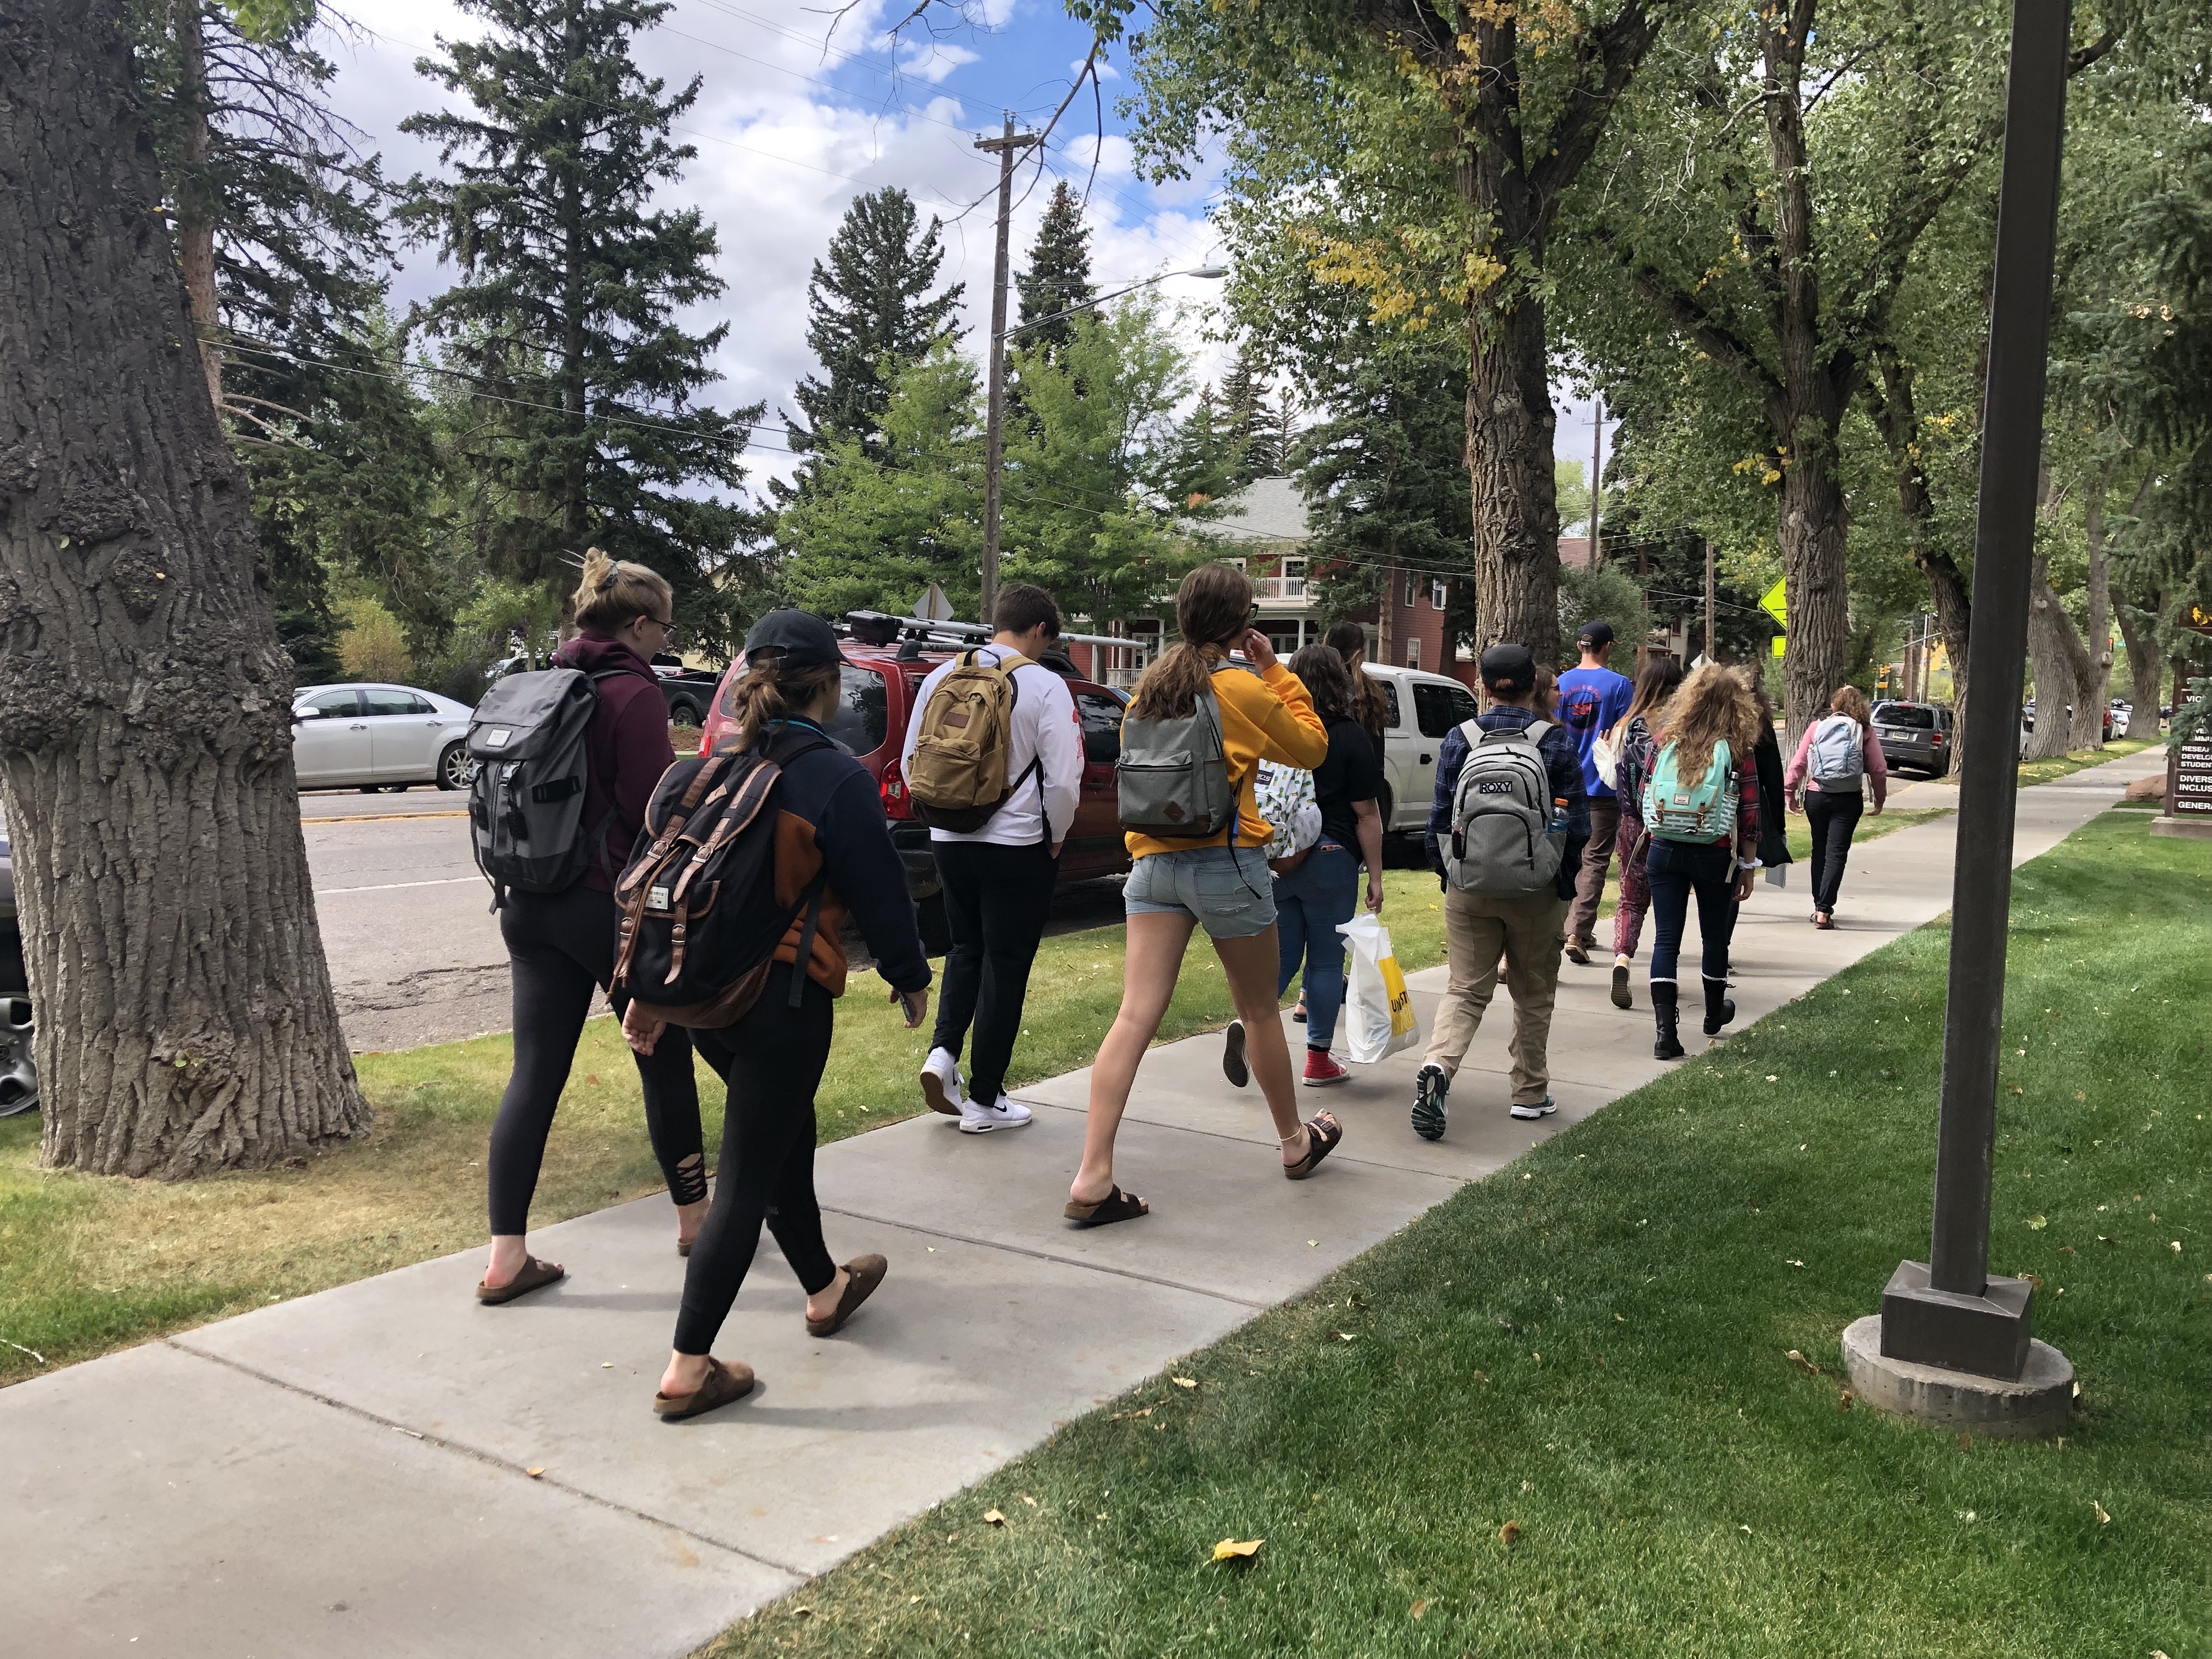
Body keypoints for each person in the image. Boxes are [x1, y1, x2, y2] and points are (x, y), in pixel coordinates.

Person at [625, 610, 933, 1420]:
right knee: (751, 1173)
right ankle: (689, 1368)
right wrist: (908, 978)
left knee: (782, 1135)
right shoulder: (832, 776)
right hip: (781, 1002)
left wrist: (642, 999)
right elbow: (879, 887)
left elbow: (644, 892)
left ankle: (825, 1288)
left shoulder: (694, 771)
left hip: (701, 998)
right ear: (828, 686)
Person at [1065, 563, 1336, 1226]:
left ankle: (1092, 1177)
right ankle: (1295, 1144)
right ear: (1244, 625)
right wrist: (1276, 672)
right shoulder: (1242, 686)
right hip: (1226, 864)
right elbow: (1312, 749)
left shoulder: (1148, 692)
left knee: (1133, 1016)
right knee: (1261, 1011)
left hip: (1152, 866)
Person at [477, 550, 709, 1305]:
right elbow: (655, 815)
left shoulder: (543, 683)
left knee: (534, 1072)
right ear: (638, 625)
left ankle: (506, 1255)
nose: (663, 645)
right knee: (660, 1049)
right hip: (600, 904)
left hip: (524, 899)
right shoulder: (632, 695)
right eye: (663, 630)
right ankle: (695, 1220)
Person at [902, 583, 1082, 1132]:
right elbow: (1065, 777)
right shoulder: (1044, 684)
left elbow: (914, 759)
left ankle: (942, 1053)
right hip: (1018, 842)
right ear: (1039, 631)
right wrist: (1057, 835)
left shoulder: (939, 677)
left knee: (965, 947)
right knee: (1006, 964)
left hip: (949, 837)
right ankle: (985, 1099)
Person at [1410, 643, 1588, 1142]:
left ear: (1483, 687)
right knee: (1533, 993)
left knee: (1466, 989)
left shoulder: (1458, 738)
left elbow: (1439, 819)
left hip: (1469, 886)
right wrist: (1562, 880)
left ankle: (1438, 1068)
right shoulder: (1553, 740)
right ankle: (1529, 1094)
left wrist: (1451, 875)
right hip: (1538, 886)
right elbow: (1576, 823)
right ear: (1535, 684)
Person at [1272, 644, 1386, 1086]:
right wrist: (1375, 876)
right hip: (1331, 856)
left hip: (1280, 856)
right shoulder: (1348, 734)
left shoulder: (1276, 730)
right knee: (1323, 963)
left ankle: (1248, 1027)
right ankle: (1318, 1061)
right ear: (1339, 681)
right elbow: (1367, 813)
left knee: (1280, 958)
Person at [1640, 663, 1763, 1060]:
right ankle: (1713, 1015)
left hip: (1663, 848)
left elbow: (1644, 789)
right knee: (1714, 936)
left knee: (1666, 939)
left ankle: (1664, 1034)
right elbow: (1749, 814)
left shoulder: (1665, 741)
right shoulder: (1737, 751)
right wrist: (1747, 866)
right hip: (1713, 852)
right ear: (1737, 707)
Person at [1605, 653, 1685, 1010]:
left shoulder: (1626, 725)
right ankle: (1665, 974)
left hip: (1632, 823)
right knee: (1671, 902)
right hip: (1671, 823)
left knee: (1630, 897)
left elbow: (1613, 775)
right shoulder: (1684, 727)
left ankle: (1622, 958)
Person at [1557, 622, 1635, 967]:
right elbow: (1626, 734)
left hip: (1561, 785)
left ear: (1579, 646)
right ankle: (1576, 932)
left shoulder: (1559, 684)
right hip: (1601, 786)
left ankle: (1560, 928)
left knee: (1560, 855)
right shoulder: (1619, 686)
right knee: (1595, 859)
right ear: (1607, 647)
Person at [1785, 684, 1887, 928]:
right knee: (1837, 853)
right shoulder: (1864, 731)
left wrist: (1789, 794)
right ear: (1859, 707)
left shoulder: (1816, 727)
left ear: (1834, 706)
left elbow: (1798, 764)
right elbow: (1879, 769)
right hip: (1848, 798)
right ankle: (1824, 910)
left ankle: (1818, 904)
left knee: (1819, 849)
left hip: (1817, 796)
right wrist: (1880, 799)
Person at [1324, 619, 1391, 753]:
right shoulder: (1370, 691)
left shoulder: (1314, 685)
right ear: (1359, 653)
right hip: (1359, 766)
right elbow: (1376, 745)